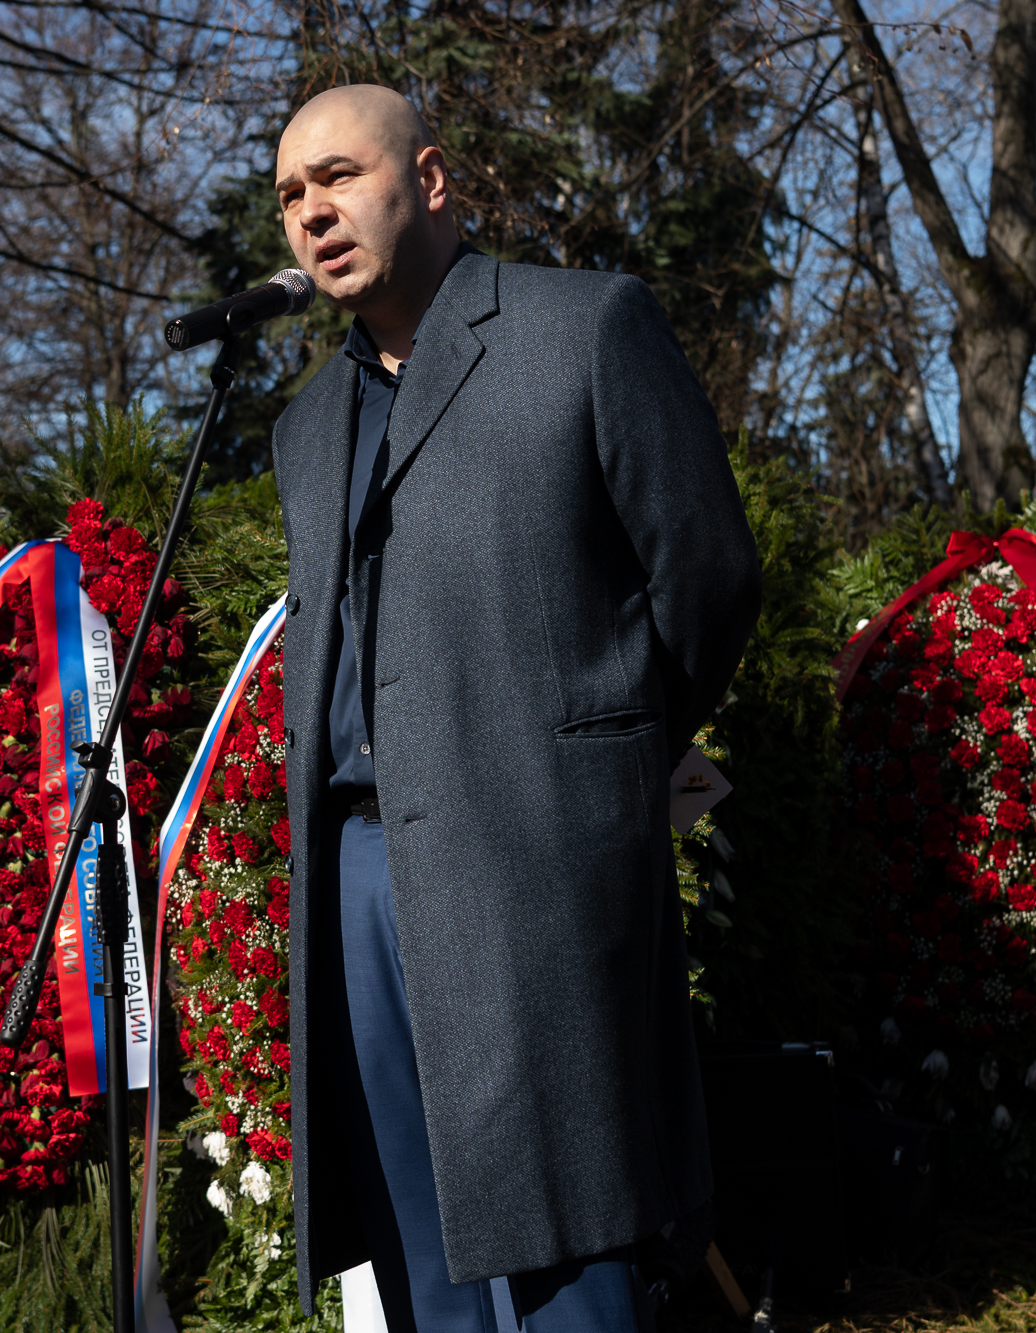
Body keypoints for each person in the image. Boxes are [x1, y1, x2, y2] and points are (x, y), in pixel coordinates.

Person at [268, 86, 762, 1333]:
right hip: (354, 874)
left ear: (430, 179)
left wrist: (599, 753)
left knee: (565, 1256)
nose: (311, 212)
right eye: (288, 195)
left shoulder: (581, 327)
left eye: (338, 176)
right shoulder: (306, 424)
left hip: (533, 852)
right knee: (417, 1250)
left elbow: (706, 576)